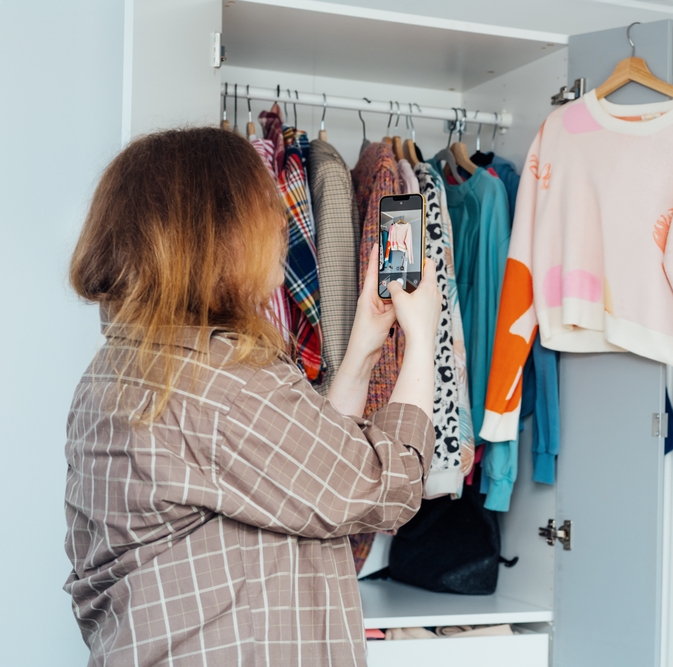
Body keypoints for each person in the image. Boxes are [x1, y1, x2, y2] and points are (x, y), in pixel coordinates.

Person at [63, 127, 440, 666]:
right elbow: (386, 487)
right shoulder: (218, 380)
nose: (279, 236)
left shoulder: (118, 370)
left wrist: (361, 351)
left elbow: (298, 472)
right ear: (223, 238)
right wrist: (422, 339)